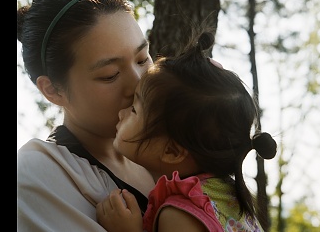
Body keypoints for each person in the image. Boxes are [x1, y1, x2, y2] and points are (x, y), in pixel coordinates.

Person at [96, 28, 278, 232]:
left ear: (171, 151)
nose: (122, 112)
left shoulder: (180, 215)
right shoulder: (226, 196)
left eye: (134, 110)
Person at [17, 0, 155, 231]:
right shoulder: (39, 176)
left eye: (142, 59)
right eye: (110, 74)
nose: (139, 84)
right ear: (53, 90)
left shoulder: (169, 152)